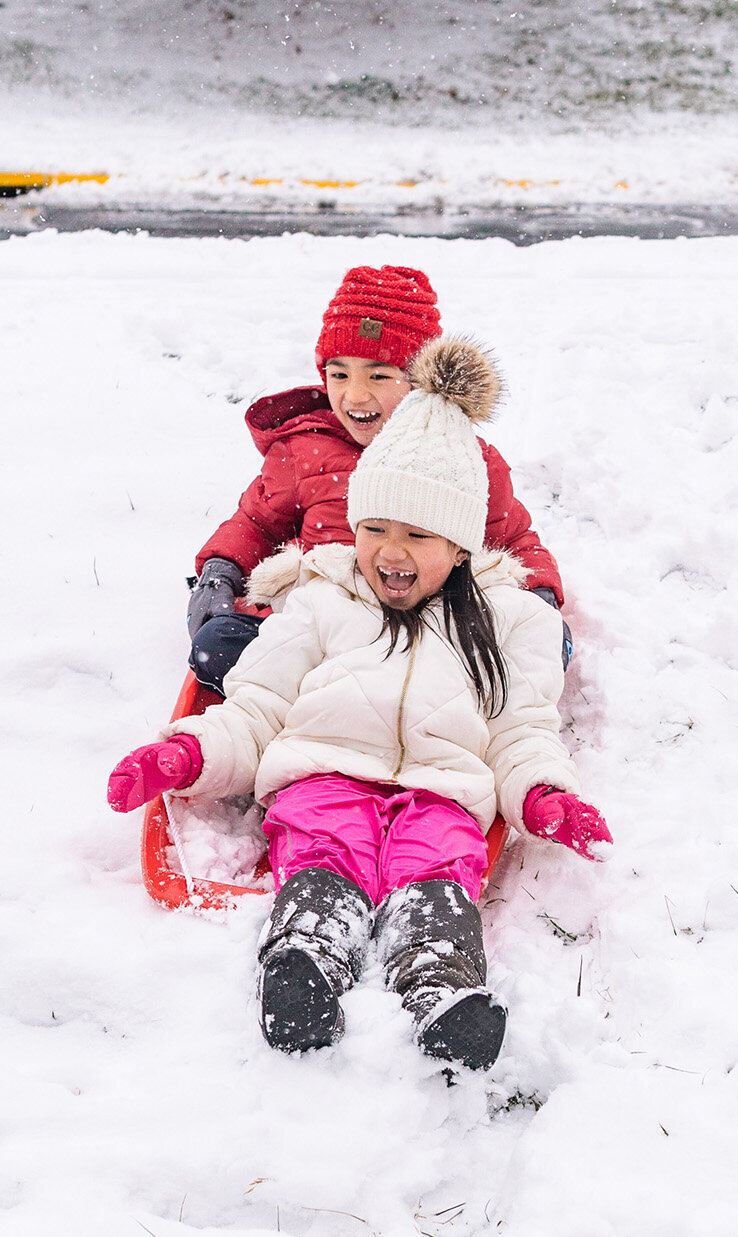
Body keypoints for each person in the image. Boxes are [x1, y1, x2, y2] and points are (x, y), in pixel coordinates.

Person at [110, 337, 609, 1074]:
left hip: (440, 788)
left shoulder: (504, 623)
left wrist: (541, 794)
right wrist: (187, 753)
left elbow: (518, 731)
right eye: (374, 528)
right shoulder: (321, 598)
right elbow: (257, 707)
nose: (390, 551)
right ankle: (305, 962)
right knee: (319, 848)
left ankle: (443, 990)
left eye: (417, 535)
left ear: (464, 545)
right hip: (324, 774)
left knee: (438, 869)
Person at [187, 263, 571, 695]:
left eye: (378, 374)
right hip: (323, 635)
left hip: (429, 638)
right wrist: (219, 573)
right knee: (218, 645)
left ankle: (359, 701)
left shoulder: (462, 459)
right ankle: (360, 701)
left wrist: (540, 600)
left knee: (516, 650)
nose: (354, 394)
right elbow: (255, 523)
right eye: (339, 374)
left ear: (421, 381)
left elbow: (515, 540)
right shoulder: (304, 452)